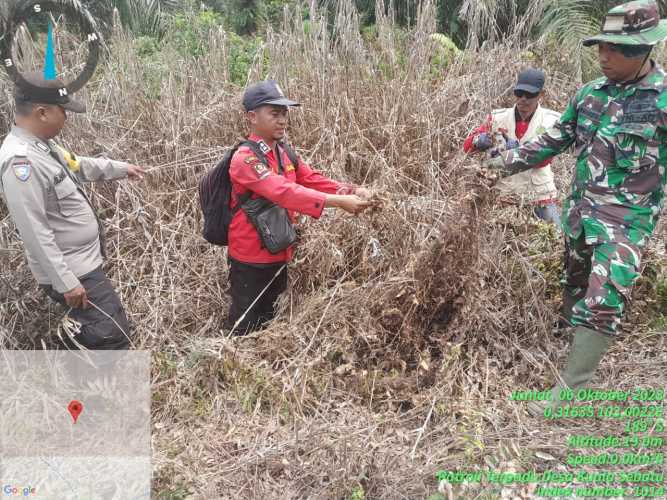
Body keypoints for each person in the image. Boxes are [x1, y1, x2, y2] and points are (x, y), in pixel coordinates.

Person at [484, 0, 667, 416]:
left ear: (640, 50)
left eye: (613, 49)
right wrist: (493, 166)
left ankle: (570, 394)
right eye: (600, 46)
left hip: (626, 223)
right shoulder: (589, 95)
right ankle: (571, 339)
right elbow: (550, 142)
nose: (602, 55)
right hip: (580, 215)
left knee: (603, 299)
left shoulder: (662, 100)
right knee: (575, 279)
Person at [0, 73, 146, 349]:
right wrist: (66, 282)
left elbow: (76, 164)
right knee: (111, 334)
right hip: (73, 270)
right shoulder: (21, 161)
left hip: (82, 263)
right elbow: (34, 230)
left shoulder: (42, 146)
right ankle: (72, 350)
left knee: (109, 322)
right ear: (42, 112)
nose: (67, 117)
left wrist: (121, 169)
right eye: (63, 111)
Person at [225, 80, 372, 335]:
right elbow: (283, 191)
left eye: (284, 114)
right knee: (245, 329)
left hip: (280, 252)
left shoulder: (283, 152)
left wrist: (352, 190)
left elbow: (312, 179)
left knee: (269, 323)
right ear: (252, 117)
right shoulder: (244, 159)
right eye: (274, 113)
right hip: (250, 259)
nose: (282, 120)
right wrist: (338, 203)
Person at [464, 68, 562, 225]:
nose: (523, 99)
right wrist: (478, 141)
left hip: (539, 195)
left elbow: (544, 160)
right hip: (503, 193)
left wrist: (517, 150)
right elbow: (467, 147)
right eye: (519, 93)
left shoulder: (552, 121)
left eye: (530, 95)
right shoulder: (497, 117)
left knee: (558, 238)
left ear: (541, 95)